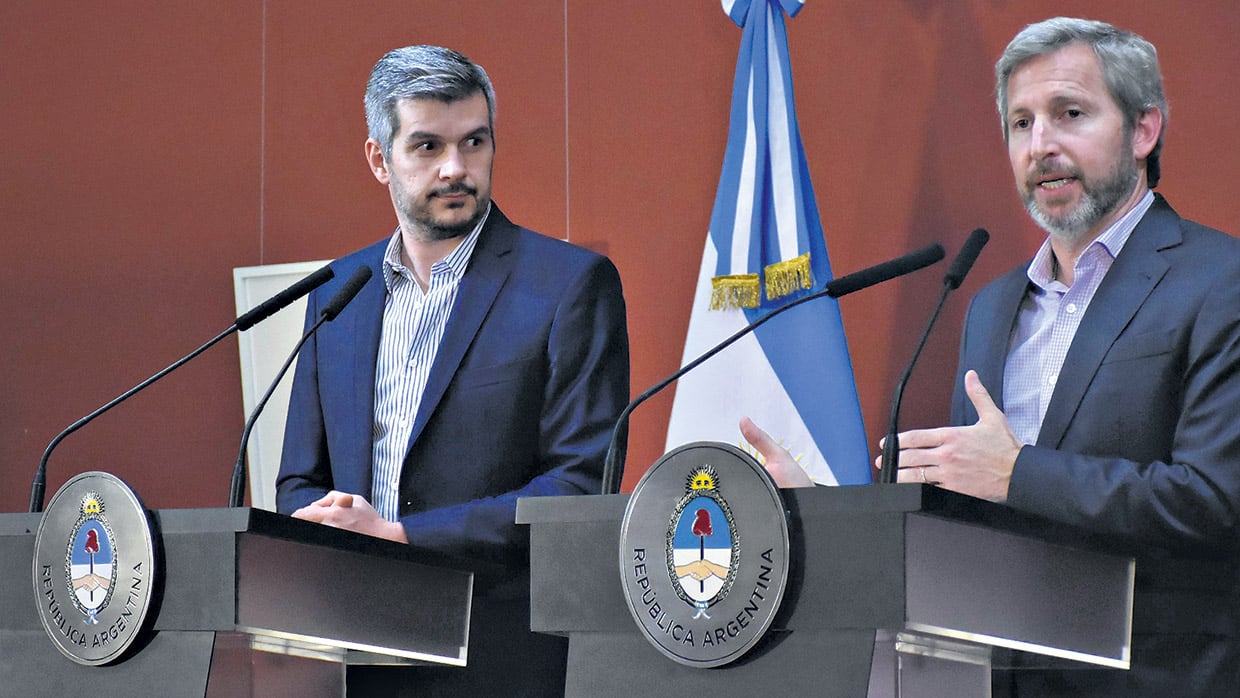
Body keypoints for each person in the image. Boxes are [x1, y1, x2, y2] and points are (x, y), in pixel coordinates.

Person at [745, 17, 1240, 695]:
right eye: (1020, 123)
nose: (1042, 145)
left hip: (1160, 675)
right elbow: (976, 519)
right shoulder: (992, 305)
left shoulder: (1219, 280)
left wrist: (1017, 473)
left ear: (1144, 130)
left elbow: (1213, 502)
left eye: (1070, 114)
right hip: (992, 678)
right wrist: (831, 516)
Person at [275, 45, 629, 695]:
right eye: (428, 148)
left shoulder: (569, 286)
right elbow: (299, 481)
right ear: (380, 160)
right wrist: (325, 526)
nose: (456, 169)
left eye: (474, 142)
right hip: (360, 653)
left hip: (503, 655)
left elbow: (582, 487)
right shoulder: (336, 296)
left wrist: (402, 536)